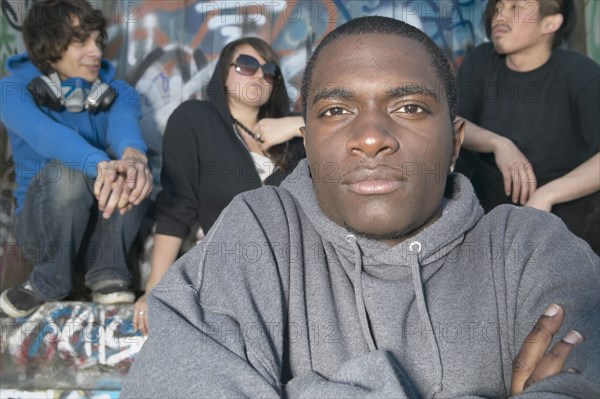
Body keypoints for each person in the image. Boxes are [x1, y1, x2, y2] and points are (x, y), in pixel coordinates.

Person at [121, 16, 599, 397]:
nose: (370, 138)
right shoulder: (258, 232)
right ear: (306, 143)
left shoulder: (531, 248)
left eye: (409, 107)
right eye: (336, 111)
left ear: (455, 144)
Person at [132, 37, 306, 335]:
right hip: (228, 277)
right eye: (247, 65)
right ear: (223, 74)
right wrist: (154, 289)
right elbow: (176, 206)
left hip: (297, 276)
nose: (259, 75)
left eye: (269, 70)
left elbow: (346, 146)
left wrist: (295, 126)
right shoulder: (195, 119)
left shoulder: (296, 136)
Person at [0, 0, 152, 318]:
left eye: (98, 41)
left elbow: (125, 127)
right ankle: (48, 281)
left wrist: (133, 158)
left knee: (135, 172)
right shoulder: (11, 89)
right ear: (48, 44)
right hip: (42, 233)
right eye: (80, 41)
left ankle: (108, 271)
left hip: (103, 227)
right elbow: (47, 135)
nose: (95, 51)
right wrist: (101, 164)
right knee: (68, 173)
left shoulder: (119, 91)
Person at [456, 0, 599, 254]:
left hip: (563, 213)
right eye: (498, 8)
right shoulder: (481, 60)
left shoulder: (580, 73)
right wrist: (498, 143)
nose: (499, 16)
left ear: (550, 23)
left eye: (515, 8)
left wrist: (548, 195)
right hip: (488, 213)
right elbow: (452, 123)